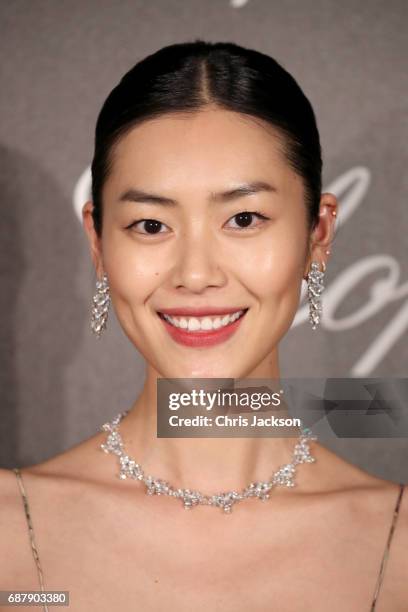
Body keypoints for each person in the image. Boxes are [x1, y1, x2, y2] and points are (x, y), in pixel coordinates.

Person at [0, 40, 406, 611]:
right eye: (149, 224)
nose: (194, 274)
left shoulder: (398, 544)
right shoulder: (12, 535)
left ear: (319, 234)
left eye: (243, 219)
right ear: (97, 243)